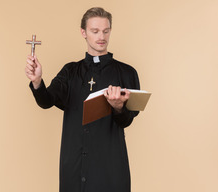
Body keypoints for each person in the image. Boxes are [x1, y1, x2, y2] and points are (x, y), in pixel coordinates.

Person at [25, 7, 140, 192]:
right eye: (95, 31)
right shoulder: (70, 72)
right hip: (74, 168)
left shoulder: (126, 73)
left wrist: (118, 107)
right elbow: (46, 101)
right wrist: (37, 81)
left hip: (110, 169)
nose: (101, 36)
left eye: (106, 31)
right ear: (83, 32)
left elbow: (127, 120)